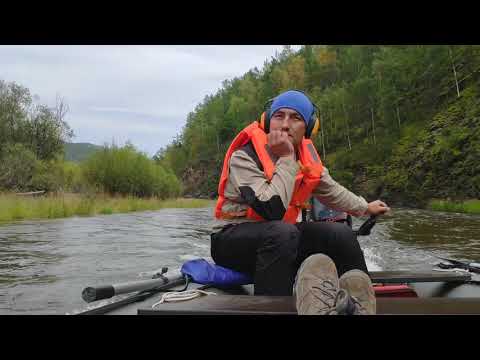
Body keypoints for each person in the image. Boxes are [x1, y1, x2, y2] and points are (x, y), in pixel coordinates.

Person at [210, 90, 390, 315]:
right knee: (282, 232)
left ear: (308, 128)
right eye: (279, 116)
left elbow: (333, 192)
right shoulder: (244, 156)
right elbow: (270, 209)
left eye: (295, 118)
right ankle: (273, 309)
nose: (285, 125)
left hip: (281, 238)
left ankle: (358, 305)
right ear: (267, 121)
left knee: (339, 234)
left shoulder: (306, 158)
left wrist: (365, 207)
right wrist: (286, 158)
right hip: (231, 242)